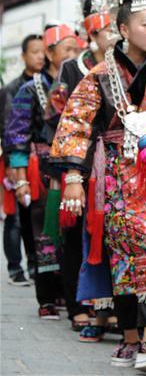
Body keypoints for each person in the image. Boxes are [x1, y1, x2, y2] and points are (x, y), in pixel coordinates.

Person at [51, 0, 146, 371]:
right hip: (117, 174)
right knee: (123, 251)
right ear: (124, 29)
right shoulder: (99, 75)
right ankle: (129, 337)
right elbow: (74, 123)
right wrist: (73, 178)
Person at [47, 0, 118, 341]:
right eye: (105, 30)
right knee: (77, 233)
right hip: (81, 160)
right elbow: (62, 118)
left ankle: (112, 309)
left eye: (113, 28)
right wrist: (68, 170)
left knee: (113, 235)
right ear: (92, 35)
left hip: (114, 161)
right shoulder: (73, 68)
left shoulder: (122, 65)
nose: (111, 34)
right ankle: (79, 306)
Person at [5, 25, 80, 319]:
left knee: (69, 230)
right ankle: (46, 295)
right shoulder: (30, 88)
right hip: (41, 167)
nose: (73, 55)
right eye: (67, 50)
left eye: (76, 49)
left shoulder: (79, 82)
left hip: (71, 166)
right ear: (50, 54)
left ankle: (65, 289)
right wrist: (20, 177)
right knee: (42, 232)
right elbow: (17, 134)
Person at [1, 34, 44, 287]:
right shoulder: (13, 89)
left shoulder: (51, 84)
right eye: (34, 51)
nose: (39, 56)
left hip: (40, 161)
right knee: (16, 214)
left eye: (42, 51)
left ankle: (35, 263)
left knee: (34, 215)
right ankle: (15, 267)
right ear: (24, 56)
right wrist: (11, 166)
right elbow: (9, 130)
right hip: (18, 161)